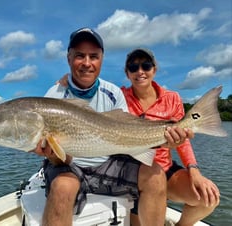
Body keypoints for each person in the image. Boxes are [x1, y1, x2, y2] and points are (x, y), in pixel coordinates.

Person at [35, 27, 192, 226]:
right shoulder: (54, 96)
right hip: (68, 165)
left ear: (101, 59)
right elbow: (59, 160)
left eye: (93, 56)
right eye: (79, 56)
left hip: (108, 163)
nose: (86, 63)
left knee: (155, 175)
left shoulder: (113, 93)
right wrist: (52, 154)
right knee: (62, 188)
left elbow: (126, 133)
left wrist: (163, 141)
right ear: (68, 58)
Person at [121, 48, 220, 226]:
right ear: (127, 73)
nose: (140, 71)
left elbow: (183, 141)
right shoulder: (118, 96)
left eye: (146, 65)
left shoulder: (172, 98)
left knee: (208, 198)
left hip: (165, 170)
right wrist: (67, 81)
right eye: (133, 67)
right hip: (133, 175)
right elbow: (94, 90)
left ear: (154, 69)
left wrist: (194, 170)